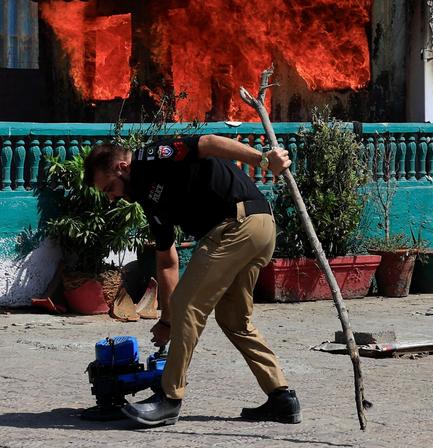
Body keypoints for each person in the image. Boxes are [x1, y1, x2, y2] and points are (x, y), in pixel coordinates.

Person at [83, 133, 301, 428]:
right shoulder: (149, 200)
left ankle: (169, 400)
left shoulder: (151, 156)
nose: (111, 197)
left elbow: (208, 142)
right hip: (257, 228)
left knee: (188, 303)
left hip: (236, 224)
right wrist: (167, 322)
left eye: (109, 188)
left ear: (122, 166)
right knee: (234, 319)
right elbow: (167, 261)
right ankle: (282, 398)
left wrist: (263, 160)